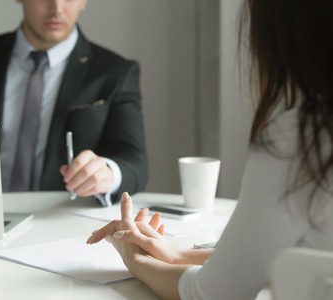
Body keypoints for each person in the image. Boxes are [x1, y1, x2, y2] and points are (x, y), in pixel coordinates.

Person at [87, 0, 333, 298]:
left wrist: (133, 257)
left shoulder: (303, 137)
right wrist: (178, 255)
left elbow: (212, 293)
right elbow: (284, 253)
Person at [0, 0, 148, 206]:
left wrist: (107, 173)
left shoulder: (115, 72)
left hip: (59, 219)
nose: (57, 8)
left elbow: (135, 162)